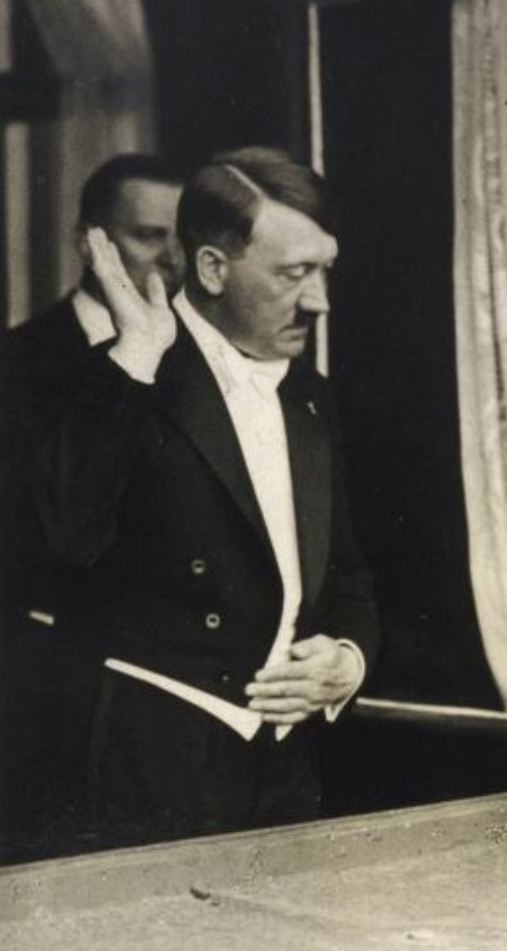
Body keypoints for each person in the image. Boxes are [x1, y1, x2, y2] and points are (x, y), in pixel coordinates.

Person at [20, 146, 378, 852]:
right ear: (212, 268)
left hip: (286, 772)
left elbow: (349, 575)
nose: (320, 301)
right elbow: (58, 542)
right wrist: (136, 359)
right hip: (148, 773)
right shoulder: (115, 377)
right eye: (294, 274)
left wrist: (347, 661)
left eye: (325, 270)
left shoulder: (311, 398)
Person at [0, 153, 186, 862]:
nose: (169, 258)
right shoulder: (17, 364)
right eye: (148, 235)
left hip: (163, 712)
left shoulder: (197, 367)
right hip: (45, 700)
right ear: (90, 243)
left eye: (180, 238)